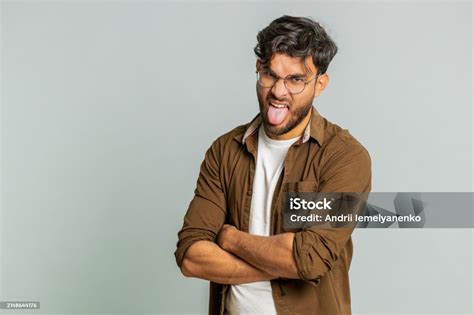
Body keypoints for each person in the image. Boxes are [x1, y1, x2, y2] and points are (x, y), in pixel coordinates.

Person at [174, 15, 371, 315]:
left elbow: (310, 259)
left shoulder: (344, 157)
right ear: (258, 69)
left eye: (295, 80)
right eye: (270, 74)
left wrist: (231, 239)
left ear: (320, 84)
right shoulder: (224, 151)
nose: (278, 92)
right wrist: (283, 265)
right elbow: (191, 256)